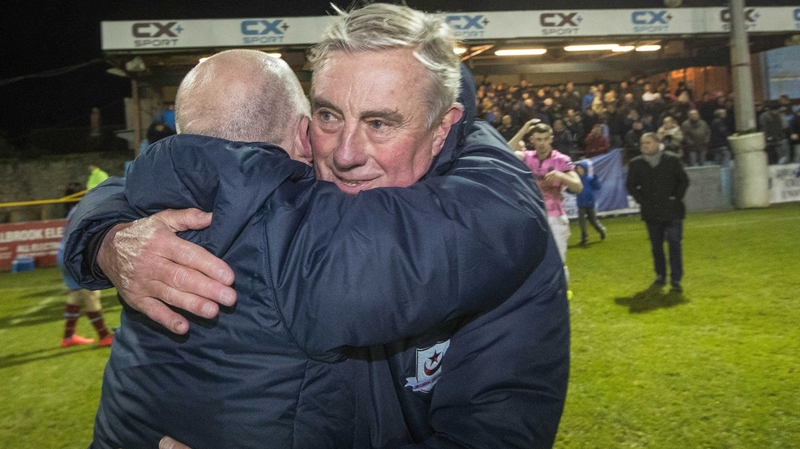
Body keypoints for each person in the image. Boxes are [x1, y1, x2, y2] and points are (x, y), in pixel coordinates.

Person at [63, 5, 569, 448]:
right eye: (329, 115)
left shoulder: (506, 250)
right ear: (304, 126)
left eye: (380, 123)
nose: (345, 154)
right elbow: (182, 169)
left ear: (442, 127)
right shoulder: (292, 185)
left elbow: (491, 437)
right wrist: (106, 243)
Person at [513, 123, 583, 284]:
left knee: (558, 261)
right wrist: (524, 127)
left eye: (545, 139)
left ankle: (562, 295)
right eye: (538, 139)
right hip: (532, 217)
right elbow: (504, 150)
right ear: (532, 140)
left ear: (551, 139)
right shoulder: (527, 157)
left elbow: (578, 186)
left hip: (555, 217)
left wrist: (561, 176)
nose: (542, 143)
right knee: (531, 263)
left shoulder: (561, 160)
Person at [626, 132, 689, 292]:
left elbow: (684, 180)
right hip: (651, 212)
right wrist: (643, 200)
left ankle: (676, 278)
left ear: (657, 143)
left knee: (674, 243)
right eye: (642, 143)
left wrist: (676, 196)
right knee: (656, 246)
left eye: (647, 143)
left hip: (672, 210)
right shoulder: (636, 163)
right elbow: (631, 186)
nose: (644, 146)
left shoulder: (672, 159)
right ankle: (661, 274)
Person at [58, 182, 113, 348]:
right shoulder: (84, 209)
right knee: (91, 294)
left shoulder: (72, 212)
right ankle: (104, 335)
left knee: (75, 294)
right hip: (75, 257)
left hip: (63, 255)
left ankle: (68, 337)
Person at [574, 162, 606, 247]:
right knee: (582, 223)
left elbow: (598, 187)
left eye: (580, 168)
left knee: (593, 221)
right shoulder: (576, 179)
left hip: (590, 203)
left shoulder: (590, 178)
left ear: (584, 169)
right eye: (577, 168)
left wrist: (595, 179)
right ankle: (584, 240)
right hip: (581, 204)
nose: (579, 170)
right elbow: (573, 190)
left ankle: (601, 231)